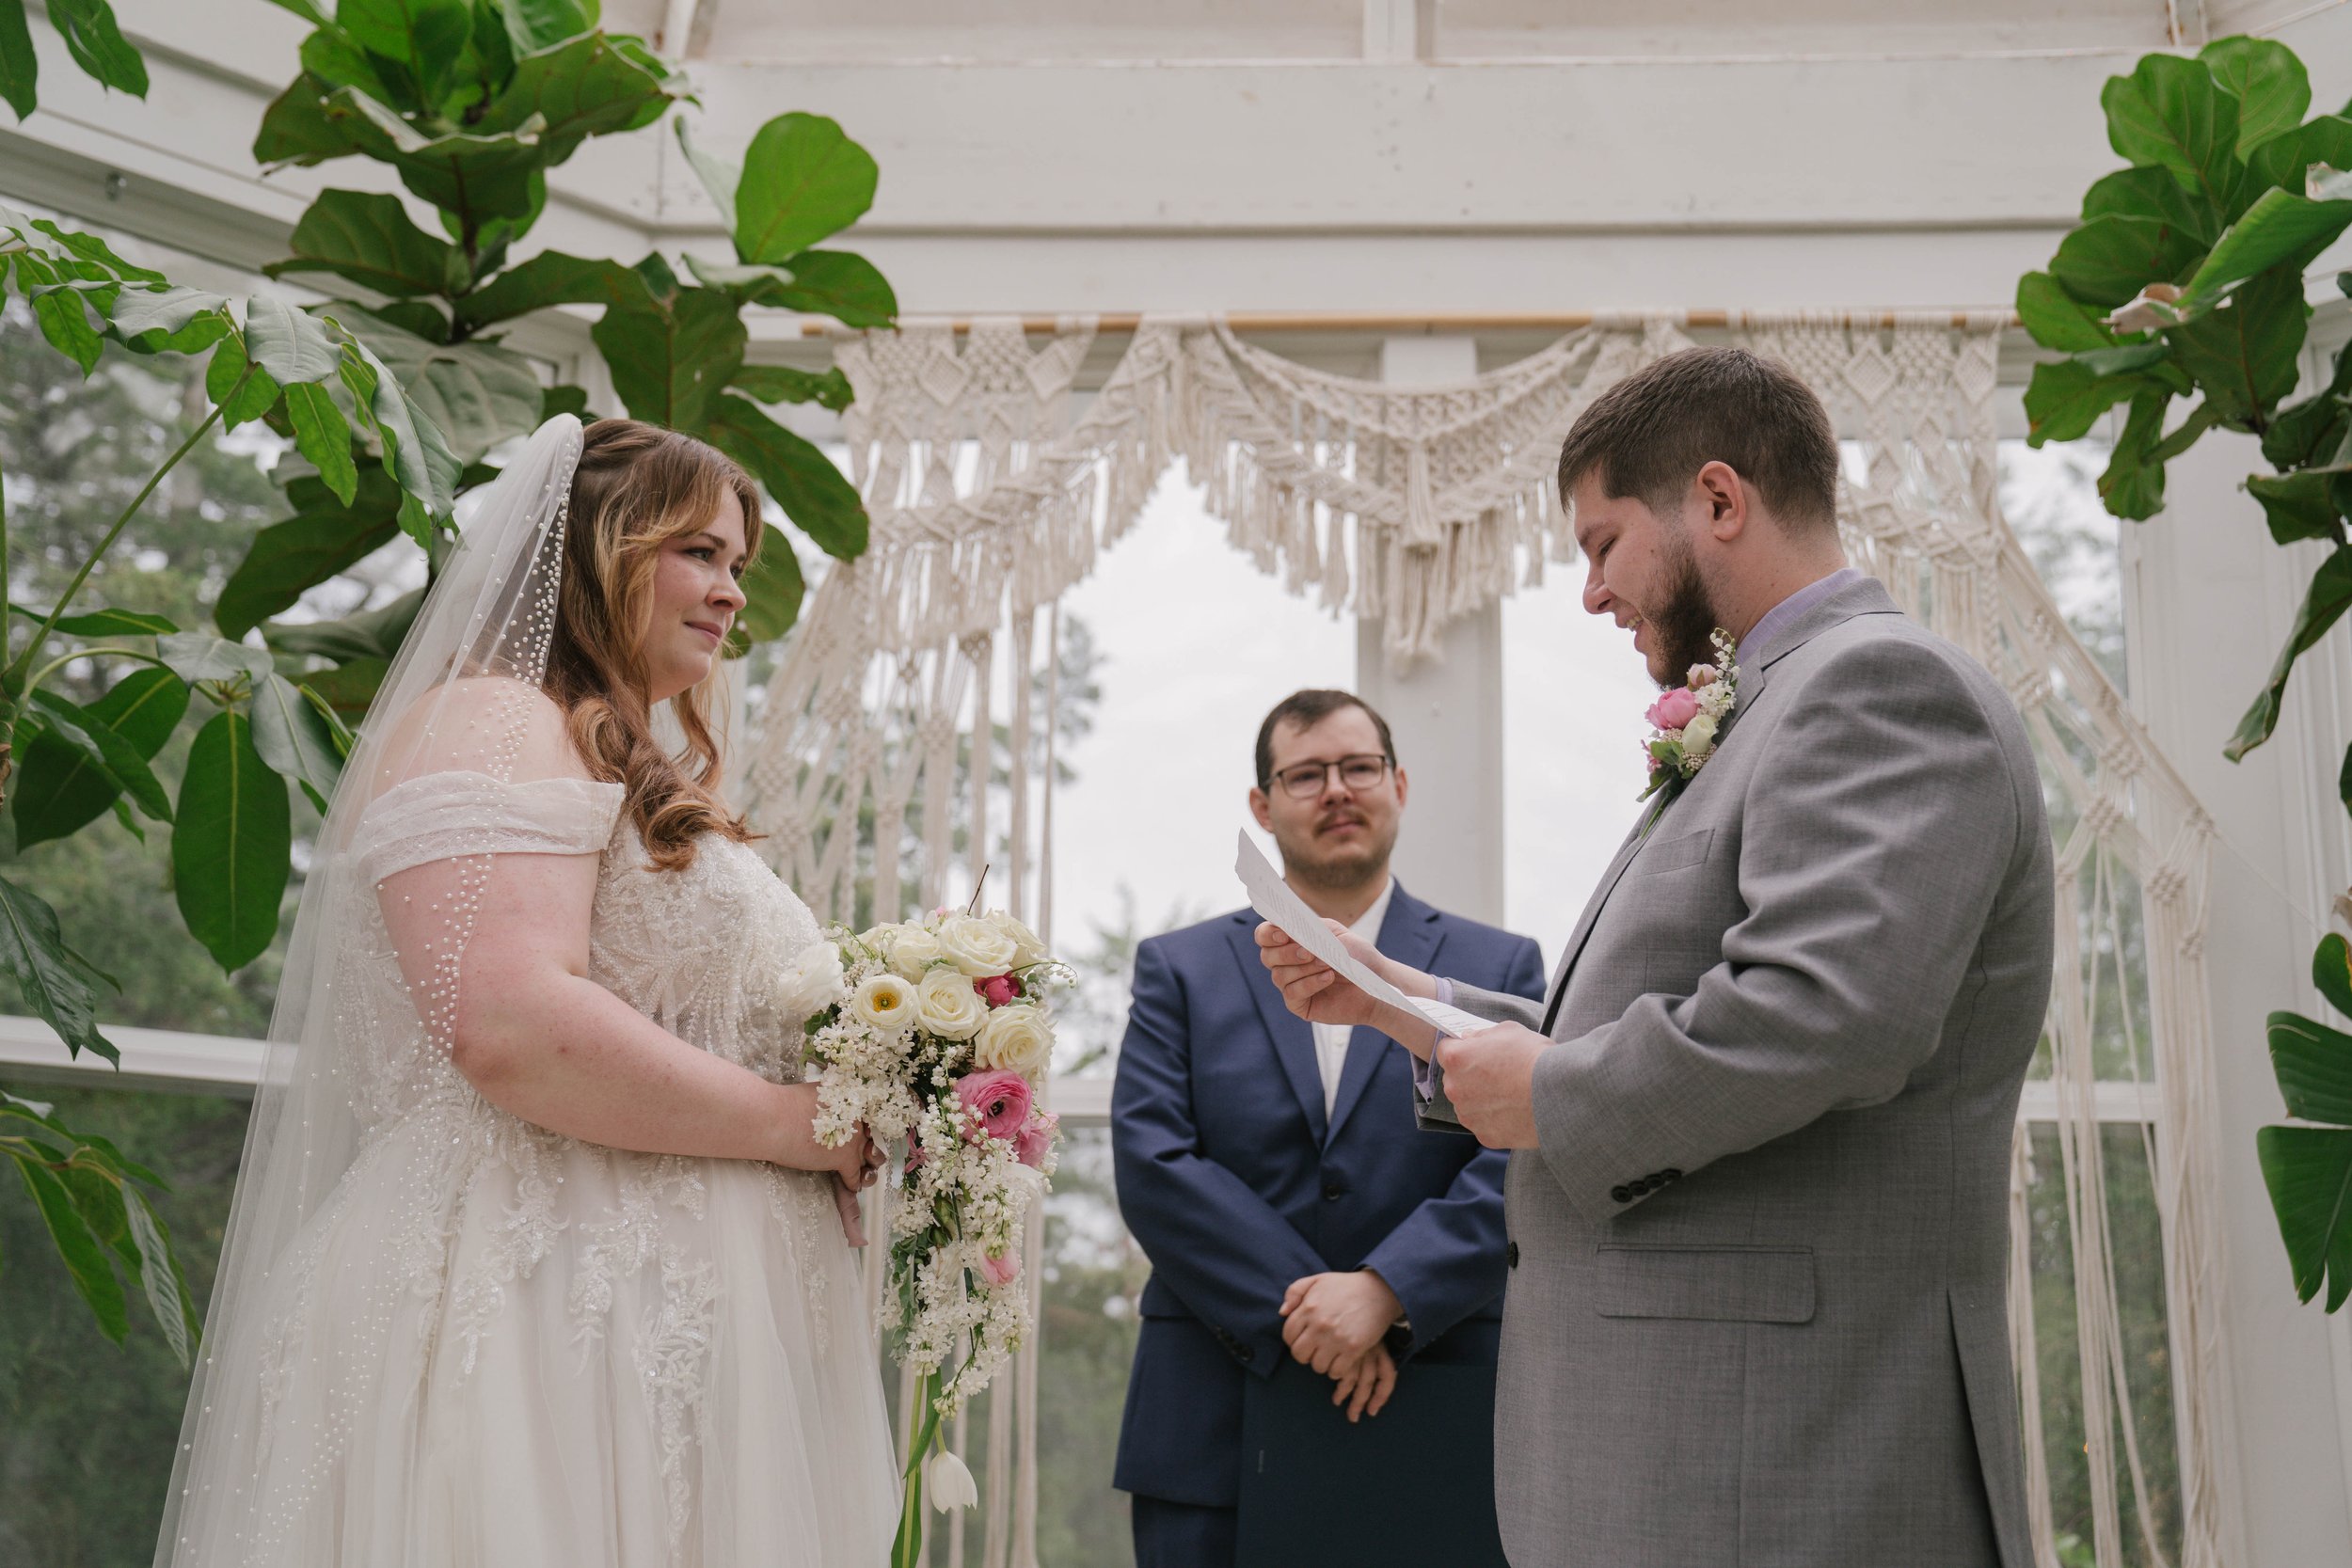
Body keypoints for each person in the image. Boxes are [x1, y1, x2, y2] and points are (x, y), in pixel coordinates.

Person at [1261, 348, 2054, 1568]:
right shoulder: (1779, 697)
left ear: (1721, 501)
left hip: (1783, 1448)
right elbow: (1690, 1001)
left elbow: (1823, 1014)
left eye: (1602, 541)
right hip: (1708, 1442)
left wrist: (1552, 1093)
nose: (1591, 592)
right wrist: (1413, 1004)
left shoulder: (1877, 687)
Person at [155, 417, 898, 1567]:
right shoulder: (490, 721)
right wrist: (796, 1128)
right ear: (602, 544)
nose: (728, 592)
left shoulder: (601, 752)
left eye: (736, 565)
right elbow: (508, 1026)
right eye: (698, 551)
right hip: (532, 1317)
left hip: (655, 1335)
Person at [1112, 689, 1546, 1568]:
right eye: (1306, 774)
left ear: (1400, 785)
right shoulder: (1179, 968)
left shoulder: (1499, 966)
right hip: (1213, 1415)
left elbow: (1522, 1157)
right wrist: (1315, 1308)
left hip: (1437, 1398)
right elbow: (1154, 1158)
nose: (1337, 789)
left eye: (1359, 767)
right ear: (1262, 807)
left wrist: (1388, 1289)